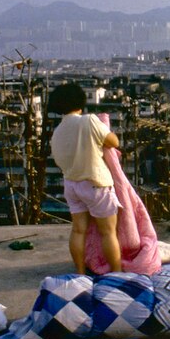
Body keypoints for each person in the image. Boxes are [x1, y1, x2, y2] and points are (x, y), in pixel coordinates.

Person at [47, 82, 123, 274]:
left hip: (72, 185)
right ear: (80, 103)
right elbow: (113, 141)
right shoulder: (88, 121)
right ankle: (117, 272)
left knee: (78, 230)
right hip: (95, 183)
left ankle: (80, 272)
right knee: (108, 232)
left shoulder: (56, 133)